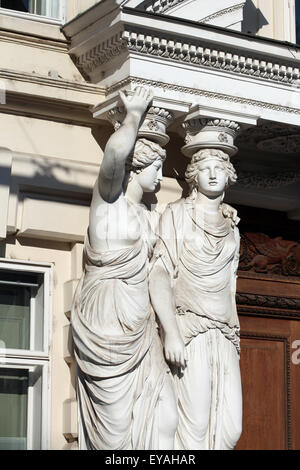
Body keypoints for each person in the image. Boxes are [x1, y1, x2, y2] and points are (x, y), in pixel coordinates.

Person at [71, 87, 178, 450]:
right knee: (116, 434)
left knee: (163, 421)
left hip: (142, 328)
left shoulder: (150, 218)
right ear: (136, 167)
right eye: (156, 167)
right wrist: (133, 117)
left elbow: (160, 275)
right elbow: (114, 157)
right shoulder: (108, 204)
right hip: (107, 328)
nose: (161, 177)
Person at [149, 148, 243, 450]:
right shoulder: (177, 214)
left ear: (229, 176)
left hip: (225, 332)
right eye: (205, 168)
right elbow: (160, 274)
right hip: (191, 329)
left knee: (230, 429)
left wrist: (236, 332)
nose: (213, 174)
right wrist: (171, 333)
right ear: (193, 176)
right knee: (195, 426)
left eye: (220, 168)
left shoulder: (232, 226)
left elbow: (231, 285)